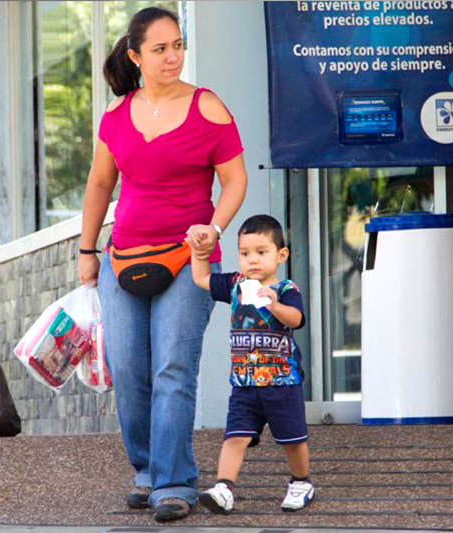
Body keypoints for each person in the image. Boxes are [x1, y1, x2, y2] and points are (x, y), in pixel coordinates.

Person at [77, 6, 248, 522]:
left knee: (173, 367)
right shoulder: (115, 116)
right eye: (160, 48)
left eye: (177, 45)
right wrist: (87, 252)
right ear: (135, 55)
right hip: (123, 256)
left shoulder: (207, 107)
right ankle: (148, 470)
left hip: (187, 257)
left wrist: (213, 230)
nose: (173, 56)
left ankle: (174, 482)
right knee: (129, 370)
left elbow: (234, 181)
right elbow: (100, 186)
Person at [190, 215, 314, 514]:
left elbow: (296, 320)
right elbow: (201, 279)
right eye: (245, 253)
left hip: (282, 382)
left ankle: (301, 482)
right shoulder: (236, 284)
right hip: (245, 385)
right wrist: (198, 253)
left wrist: (273, 303)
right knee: (235, 438)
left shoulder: (285, 289)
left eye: (261, 252)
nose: (252, 260)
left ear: (280, 255)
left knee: (292, 439)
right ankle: (224, 487)